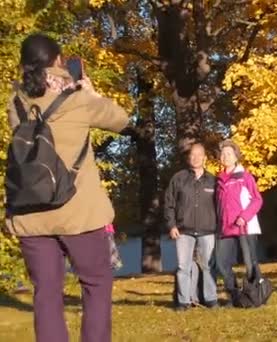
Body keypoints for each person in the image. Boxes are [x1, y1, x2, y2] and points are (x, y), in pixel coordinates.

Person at [5, 34, 128, 342]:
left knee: (46, 293)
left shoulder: (16, 103)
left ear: (24, 64)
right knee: (96, 284)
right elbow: (121, 120)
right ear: (59, 61)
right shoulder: (78, 99)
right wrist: (91, 92)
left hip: (31, 214)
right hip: (78, 213)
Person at [164, 143, 218, 311]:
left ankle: (211, 299)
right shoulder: (178, 178)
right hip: (183, 231)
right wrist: (171, 225)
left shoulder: (213, 181)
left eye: (198, 155)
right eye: (192, 155)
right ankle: (183, 301)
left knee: (209, 267)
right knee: (183, 267)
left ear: (204, 158)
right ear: (189, 158)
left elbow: (220, 206)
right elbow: (169, 204)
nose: (195, 158)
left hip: (207, 230)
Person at [215, 139, 264, 305]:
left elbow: (257, 200)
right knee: (222, 263)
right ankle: (234, 296)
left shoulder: (245, 177)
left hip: (245, 227)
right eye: (223, 154)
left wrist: (245, 216)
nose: (225, 156)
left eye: (229, 153)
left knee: (250, 264)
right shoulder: (219, 180)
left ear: (236, 156)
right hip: (225, 228)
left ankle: (255, 295)